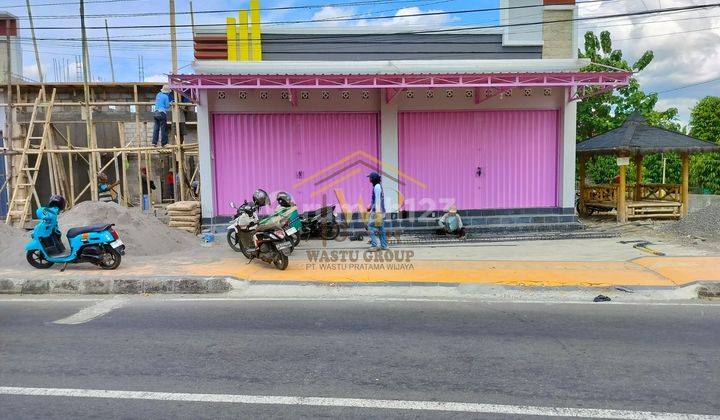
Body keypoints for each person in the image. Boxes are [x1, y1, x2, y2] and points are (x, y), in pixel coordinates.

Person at [366, 171, 388, 251]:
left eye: (370, 178)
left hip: (378, 211)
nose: (369, 179)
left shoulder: (377, 187)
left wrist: (376, 212)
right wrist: (370, 206)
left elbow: (378, 200)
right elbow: (375, 199)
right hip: (381, 211)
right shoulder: (378, 186)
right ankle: (384, 245)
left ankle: (374, 245)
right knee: (381, 228)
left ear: (373, 179)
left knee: (370, 226)